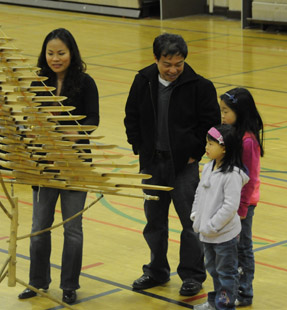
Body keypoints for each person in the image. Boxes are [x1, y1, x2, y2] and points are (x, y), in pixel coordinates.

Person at [124, 33, 221, 296]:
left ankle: (192, 275)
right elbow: (131, 115)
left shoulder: (200, 86)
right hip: (153, 164)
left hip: (184, 167)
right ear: (156, 59)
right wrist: (139, 147)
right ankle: (156, 271)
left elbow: (211, 124)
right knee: (154, 221)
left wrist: (195, 152)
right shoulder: (143, 80)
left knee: (191, 222)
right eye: (167, 64)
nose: (173, 70)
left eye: (179, 64)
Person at [18, 28, 99, 304]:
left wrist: (69, 132)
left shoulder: (86, 83)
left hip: (76, 165)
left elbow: (93, 121)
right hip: (44, 166)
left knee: (72, 230)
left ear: (71, 53)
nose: (55, 58)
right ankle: (38, 282)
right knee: (40, 227)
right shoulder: (38, 84)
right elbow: (29, 124)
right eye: (50, 53)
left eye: (61, 53)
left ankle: (69, 285)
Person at [192, 124, 249, 310]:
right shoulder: (208, 167)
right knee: (213, 271)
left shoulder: (232, 175)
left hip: (223, 235)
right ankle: (215, 302)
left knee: (226, 273)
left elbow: (230, 206)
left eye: (210, 144)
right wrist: (196, 215)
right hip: (207, 233)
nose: (206, 147)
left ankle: (224, 306)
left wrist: (213, 225)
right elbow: (199, 193)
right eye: (206, 143)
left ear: (224, 148)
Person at [219, 88, 264, 307]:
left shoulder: (247, 142)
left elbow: (250, 178)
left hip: (242, 205)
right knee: (230, 247)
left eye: (226, 111)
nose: (222, 115)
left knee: (243, 247)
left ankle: (244, 292)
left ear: (240, 111)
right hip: (230, 202)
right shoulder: (232, 134)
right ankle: (232, 287)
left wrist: (242, 208)